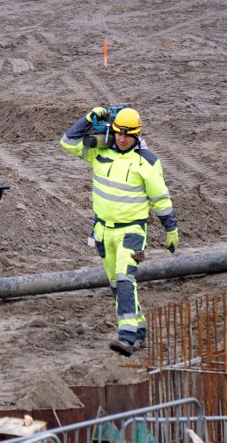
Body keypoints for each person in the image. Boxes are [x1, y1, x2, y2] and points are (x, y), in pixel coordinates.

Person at [60, 106, 179, 357]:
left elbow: (161, 199)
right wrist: (88, 118)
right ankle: (141, 331)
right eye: (118, 133)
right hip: (103, 232)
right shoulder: (99, 152)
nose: (122, 139)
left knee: (126, 280)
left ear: (137, 136)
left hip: (132, 232)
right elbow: (67, 141)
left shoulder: (146, 162)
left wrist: (171, 228)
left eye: (128, 135)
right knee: (117, 285)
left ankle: (126, 337)